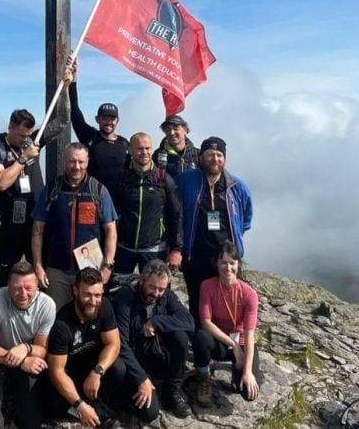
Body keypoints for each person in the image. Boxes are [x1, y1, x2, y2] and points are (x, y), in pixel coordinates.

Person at [0, 74, 71, 289]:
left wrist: (67, 87)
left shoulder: (34, 140)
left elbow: (61, 121)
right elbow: (0, 183)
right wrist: (23, 158)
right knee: (7, 273)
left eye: (29, 135)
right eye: (22, 135)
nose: (26, 139)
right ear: (10, 127)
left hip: (37, 218)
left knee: (41, 268)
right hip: (12, 221)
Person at [112, 260, 212, 420]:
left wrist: (157, 322)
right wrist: (141, 379)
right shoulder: (125, 299)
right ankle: (125, 396)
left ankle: (172, 390)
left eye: (161, 289)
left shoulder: (166, 296)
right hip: (134, 360)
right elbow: (121, 345)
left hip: (155, 355)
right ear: (142, 280)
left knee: (180, 337)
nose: (156, 293)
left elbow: (189, 322)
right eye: (152, 287)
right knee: (149, 414)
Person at [177, 136, 252, 330]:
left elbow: (246, 219)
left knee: (229, 296)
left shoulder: (237, 186)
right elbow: (175, 213)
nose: (215, 159)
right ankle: (202, 339)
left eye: (219, 155)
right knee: (197, 297)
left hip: (227, 256)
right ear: (201, 157)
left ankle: (229, 339)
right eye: (210, 154)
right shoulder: (185, 181)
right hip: (196, 255)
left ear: (224, 159)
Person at [31, 143, 118, 307]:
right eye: (72, 161)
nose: (76, 166)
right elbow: (37, 231)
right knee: (56, 318)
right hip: (57, 269)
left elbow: (111, 232)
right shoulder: (51, 190)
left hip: (90, 270)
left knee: (89, 316)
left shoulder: (98, 191)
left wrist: (107, 267)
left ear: (87, 162)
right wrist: (38, 266)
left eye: (81, 162)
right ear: (64, 161)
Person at [0, 261, 56, 429]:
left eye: (28, 288)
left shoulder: (47, 305)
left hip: (27, 357)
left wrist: (26, 349)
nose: (23, 294)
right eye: (16, 288)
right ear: (8, 286)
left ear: (37, 285)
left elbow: (42, 349)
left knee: (30, 421)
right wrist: (20, 361)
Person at [45, 268, 126, 427]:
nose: (93, 301)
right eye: (87, 294)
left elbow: (114, 343)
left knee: (118, 368)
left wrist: (98, 370)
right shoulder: (62, 324)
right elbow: (56, 371)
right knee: (54, 403)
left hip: (91, 367)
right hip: (68, 371)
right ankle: (84, 410)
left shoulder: (104, 306)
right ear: (75, 291)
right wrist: (79, 405)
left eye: (97, 295)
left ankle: (100, 403)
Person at [196, 241, 263, 405]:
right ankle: (203, 379)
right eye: (223, 263)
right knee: (201, 337)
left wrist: (247, 371)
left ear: (238, 264)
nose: (228, 268)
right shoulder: (207, 286)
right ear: (217, 264)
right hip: (221, 341)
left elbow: (249, 333)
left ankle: (241, 371)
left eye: (232, 263)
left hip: (242, 342)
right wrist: (233, 345)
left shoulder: (249, 294)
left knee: (248, 393)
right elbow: (205, 322)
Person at [111, 132, 183, 275]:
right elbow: (110, 215)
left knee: (155, 294)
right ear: (130, 151)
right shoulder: (121, 179)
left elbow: (176, 215)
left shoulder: (163, 180)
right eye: (139, 148)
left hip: (155, 250)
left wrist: (176, 249)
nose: (144, 152)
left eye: (148, 148)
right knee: (118, 294)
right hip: (124, 249)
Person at [68, 65, 129, 196]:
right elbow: (74, 111)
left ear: (117, 120)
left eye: (112, 118)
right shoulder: (90, 137)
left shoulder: (125, 144)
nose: (108, 122)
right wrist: (73, 81)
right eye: (104, 118)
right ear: (97, 120)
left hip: (119, 204)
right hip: (92, 198)